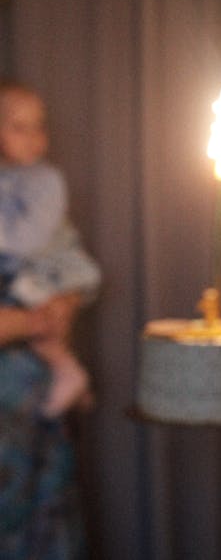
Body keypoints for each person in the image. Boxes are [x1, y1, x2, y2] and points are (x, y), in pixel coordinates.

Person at [0, 80, 101, 559]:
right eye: (16, 127)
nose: (31, 138)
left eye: (35, 128)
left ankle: (68, 374)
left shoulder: (37, 185)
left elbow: (62, 261)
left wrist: (63, 304)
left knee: (44, 524)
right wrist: (30, 324)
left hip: (35, 410)